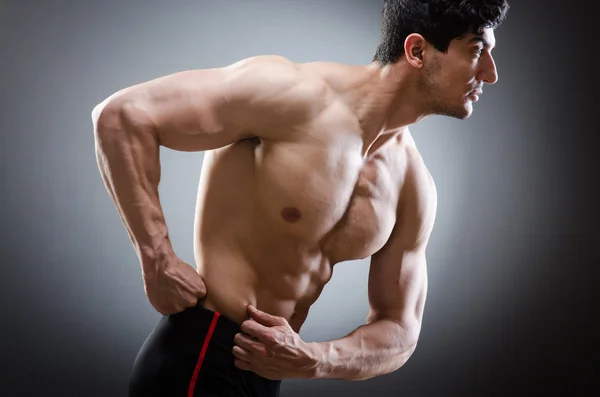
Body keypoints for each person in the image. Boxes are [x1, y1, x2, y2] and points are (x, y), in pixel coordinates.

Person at [92, 0, 509, 396]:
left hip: (263, 378)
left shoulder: (413, 183)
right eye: (476, 51)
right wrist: (157, 258)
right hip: (199, 357)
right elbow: (122, 116)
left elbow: (399, 329)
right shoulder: (292, 95)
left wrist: (314, 359)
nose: (490, 74)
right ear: (417, 50)